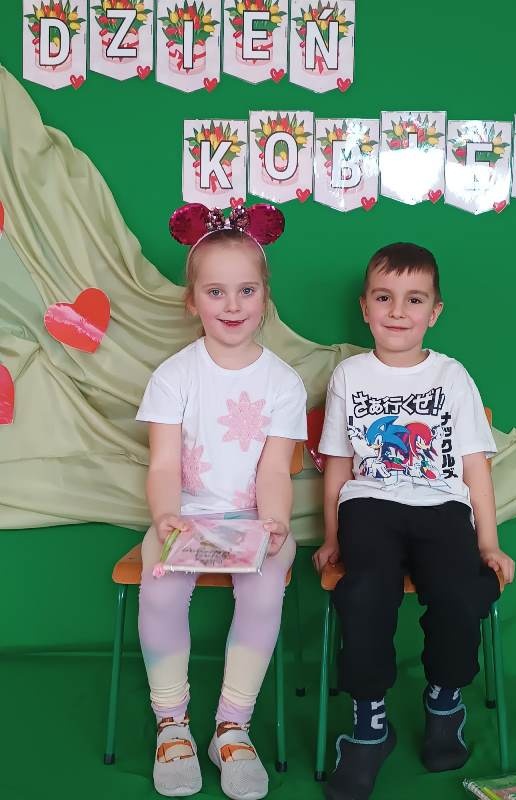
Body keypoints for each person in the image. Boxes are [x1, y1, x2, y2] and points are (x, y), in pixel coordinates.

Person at [313, 242, 515, 800]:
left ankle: (445, 702)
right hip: (369, 506)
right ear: (365, 307)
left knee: (460, 591)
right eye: (384, 298)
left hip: (442, 507)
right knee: (364, 593)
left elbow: (474, 465)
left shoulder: (452, 376)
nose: (398, 311)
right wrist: (331, 536)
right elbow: (338, 464)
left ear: (435, 311)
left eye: (414, 299)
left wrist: (489, 543)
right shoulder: (350, 376)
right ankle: (368, 725)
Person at [136, 204, 307, 799]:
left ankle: (232, 726)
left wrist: (274, 523)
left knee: (265, 585)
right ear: (193, 301)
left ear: (265, 296)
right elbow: (163, 464)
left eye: (246, 290)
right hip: (184, 512)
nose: (232, 305)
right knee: (160, 585)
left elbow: (274, 470)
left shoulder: (282, 382)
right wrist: (165, 516)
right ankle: (172, 724)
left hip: (252, 519)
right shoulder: (174, 376)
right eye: (215, 292)